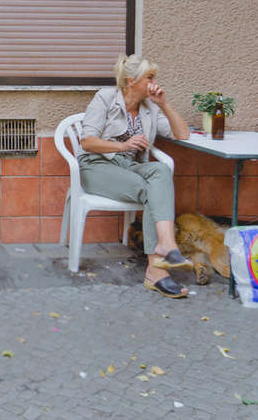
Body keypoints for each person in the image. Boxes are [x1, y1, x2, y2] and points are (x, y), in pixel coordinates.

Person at [78, 53, 193, 298]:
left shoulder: (150, 108)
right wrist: (123, 145)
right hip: (97, 165)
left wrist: (164, 104)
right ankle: (156, 270)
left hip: (128, 167)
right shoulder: (106, 98)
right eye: (150, 77)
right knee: (150, 190)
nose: (154, 83)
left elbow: (182, 135)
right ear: (132, 81)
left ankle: (166, 244)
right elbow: (87, 141)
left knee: (161, 171)